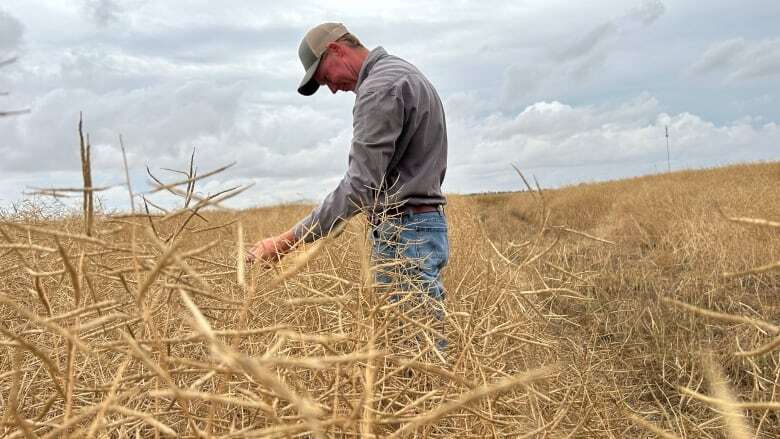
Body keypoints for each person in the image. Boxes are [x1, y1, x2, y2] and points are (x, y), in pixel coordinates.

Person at [245, 22, 449, 352]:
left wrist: (286, 241)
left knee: (416, 356)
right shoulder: (402, 73)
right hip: (420, 227)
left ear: (337, 49)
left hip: (405, 234)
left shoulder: (380, 88)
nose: (332, 89)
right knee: (420, 345)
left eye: (325, 77)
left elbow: (358, 187)